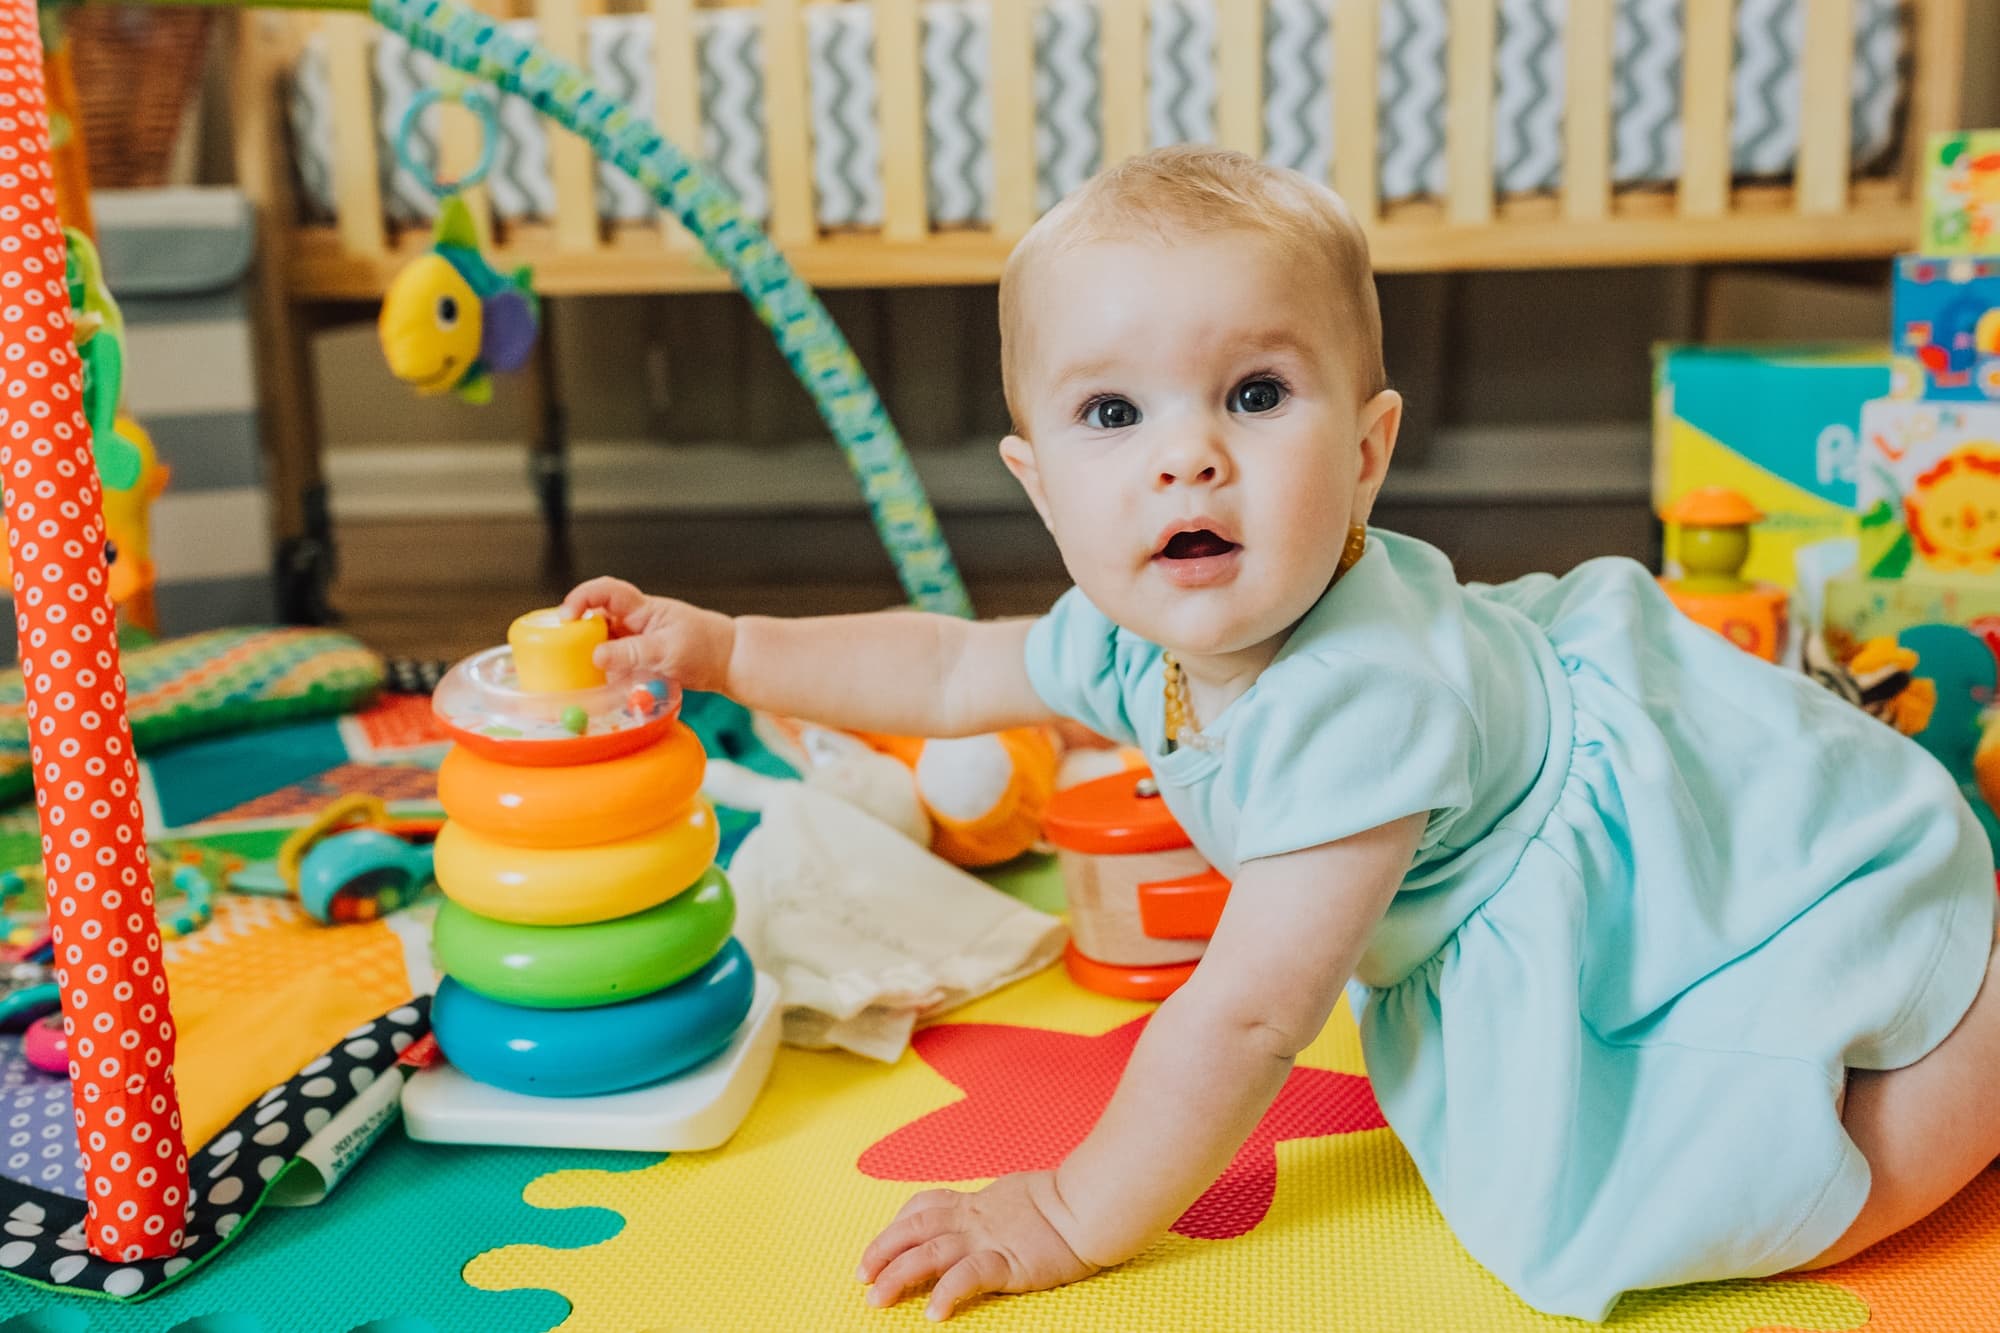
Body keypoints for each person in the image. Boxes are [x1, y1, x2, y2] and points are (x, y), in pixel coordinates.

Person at [561, 145, 2000, 1323]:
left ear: (1367, 450)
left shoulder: (1359, 693)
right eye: (1113, 412)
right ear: (1044, 485)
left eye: (1255, 395)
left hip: (1677, 855)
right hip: (1535, 850)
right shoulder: (1142, 630)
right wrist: (735, 649)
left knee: (1766, 1184)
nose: (1187, 452)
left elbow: (1250, 1011)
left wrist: (1071, 1207)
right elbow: (949, 668)